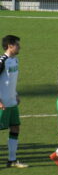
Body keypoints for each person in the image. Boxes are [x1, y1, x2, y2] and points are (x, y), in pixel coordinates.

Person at [0, 35, 26, 168]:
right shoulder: (2, 61)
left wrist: (15, 94)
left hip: (12, 102)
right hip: (2, 103)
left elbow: (10, 81)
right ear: (10, 46)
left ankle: (12, 160)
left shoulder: (15, 60)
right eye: (17, 44)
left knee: (15, 127)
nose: (19, 46)